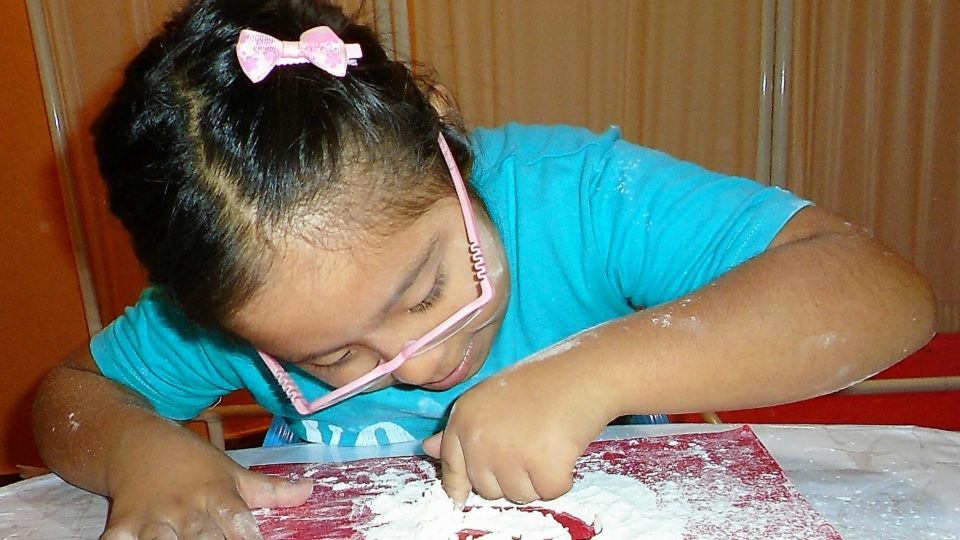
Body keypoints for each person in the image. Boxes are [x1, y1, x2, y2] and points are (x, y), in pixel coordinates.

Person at [33, 0, 936, 538]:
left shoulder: (576, 198)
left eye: (426, 289)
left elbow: (883, 293)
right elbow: (66, 397)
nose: (419, 364)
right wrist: (134, 452)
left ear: (444, 140)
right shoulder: (233, 306)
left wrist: (592, 372)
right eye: (328, 359)